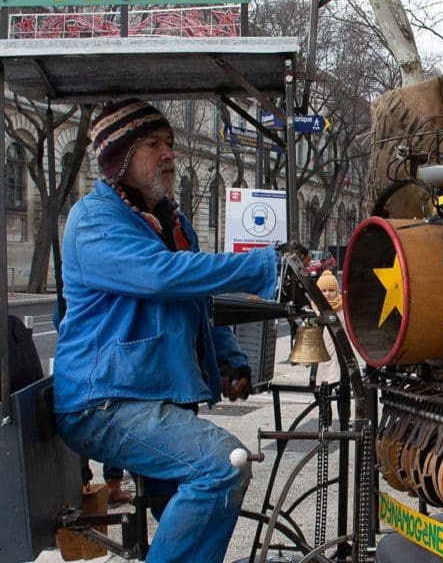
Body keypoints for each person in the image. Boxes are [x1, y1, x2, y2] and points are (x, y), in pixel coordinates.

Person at [53, 99, 278, 563]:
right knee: (222, 467)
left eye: (170, 143)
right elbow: (162, 276)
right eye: (153, 145)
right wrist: (262, 266)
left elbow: (197, 304)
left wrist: (228, 359)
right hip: (104, 401)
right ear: (119, 157)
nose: (168, 154)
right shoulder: (93, 220)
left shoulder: (173, 224)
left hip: (153, 396)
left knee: (204, 505)